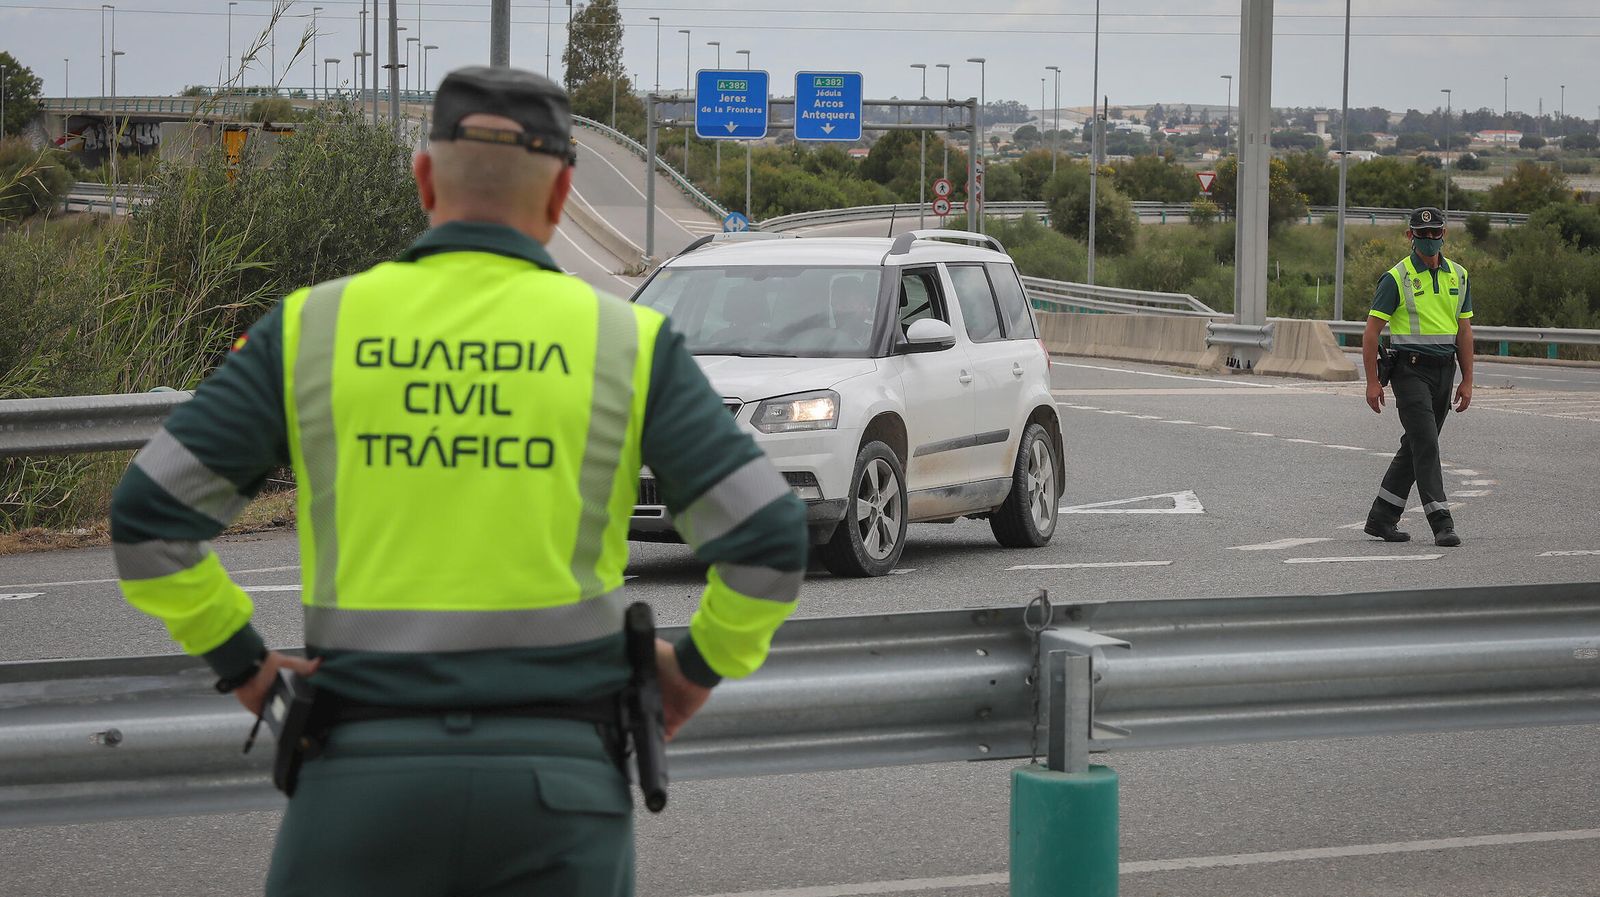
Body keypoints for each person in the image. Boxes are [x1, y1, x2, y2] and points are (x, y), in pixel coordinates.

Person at [109, 66, 807, 896]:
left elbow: (150, 517)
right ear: (562, 198)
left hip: (360, 781)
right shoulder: (626, 344)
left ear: (423, 179)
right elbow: (768, 541)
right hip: (561, 788)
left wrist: (248, 666)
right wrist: (693, 672)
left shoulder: (313, 329)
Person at [1361, 206, 1473, 548]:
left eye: (1434, 234)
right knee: (1426, 443)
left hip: (1444, 372)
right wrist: (1371, 381)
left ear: (1444, 235)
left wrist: (1467, 379)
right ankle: (1442, 521)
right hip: (1409, 371)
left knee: (1415, 446)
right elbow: (1371, 332)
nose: (1428, 240)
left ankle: (1382, 517)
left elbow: (1464, 331)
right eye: (1421, 234)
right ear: (1410, 235)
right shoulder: (1396, 278)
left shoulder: (1459, 275)